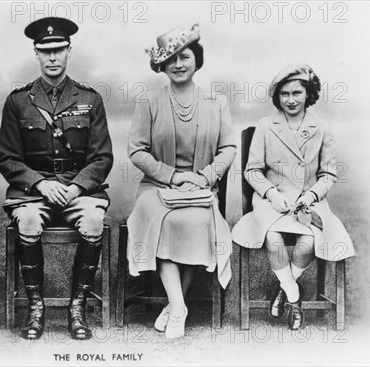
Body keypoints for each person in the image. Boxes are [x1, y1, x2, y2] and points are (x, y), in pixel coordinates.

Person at [0, 17, 113, 340]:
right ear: (35, 53)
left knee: (92, 221)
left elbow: (102, 157)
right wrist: (40, 183)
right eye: (45, 51)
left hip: (79, 189)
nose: (52, 57)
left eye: (58, 50)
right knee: (29, 221)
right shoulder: (18, 101)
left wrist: (76, 187)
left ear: (69, 51)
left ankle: (78, 308)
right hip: (34, 191)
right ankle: (36, 309)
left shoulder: (90, 99)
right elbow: (6, 157)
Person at [127, 24, 236, 339]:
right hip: (157, 188)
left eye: (184, 56)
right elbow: (137, 151)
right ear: (162, 65)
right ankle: (179, 306)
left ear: (196, 59)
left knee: (197, 222)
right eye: (170, 59)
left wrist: (204, 177)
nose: (177, 64)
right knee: (167, 222)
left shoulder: (216, 102)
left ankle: (175, 306)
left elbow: (228, 148)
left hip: (201, 188)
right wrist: (173, 176)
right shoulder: (148, 101)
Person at [232, 64, 355, 330]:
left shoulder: (322, 127)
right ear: (277, 97)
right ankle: (294, 297)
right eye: (284, 94)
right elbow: (252, 171)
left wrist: (311, 195)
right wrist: (271, 194)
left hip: (308, 200)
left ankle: (283, 291)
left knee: (309, 241)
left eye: (297, 92)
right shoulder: (266, 125)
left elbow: (328, 174)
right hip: (271, 200)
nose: (290, 99)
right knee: (274, 240)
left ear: (308, 93)